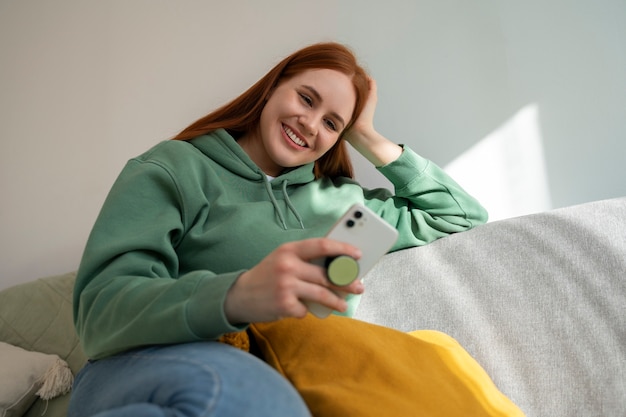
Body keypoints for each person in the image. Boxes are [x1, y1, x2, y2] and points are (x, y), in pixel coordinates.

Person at [69, 42, 488, 417]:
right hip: (149, 360)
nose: (310, 125)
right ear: (271, 88)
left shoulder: (347, 208)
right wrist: (238, 294)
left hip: (296, 369)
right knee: (248, 397)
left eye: (332, 124)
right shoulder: (177, 168)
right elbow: (100, 313)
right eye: (306, 99)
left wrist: (366, 135)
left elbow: (460, 216)